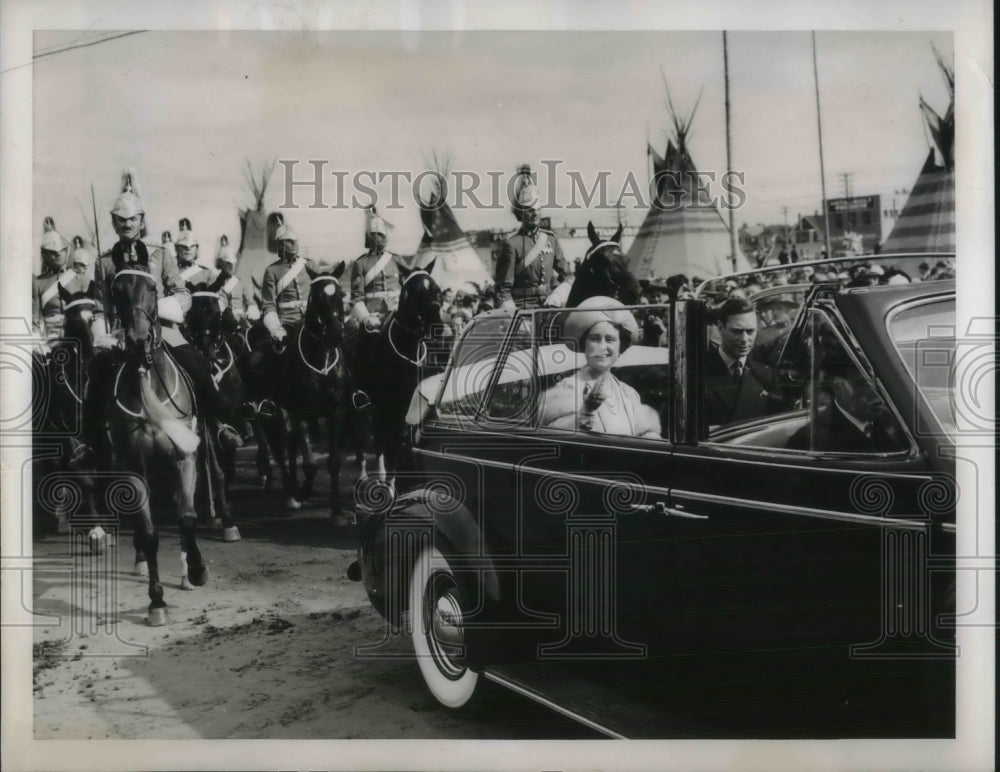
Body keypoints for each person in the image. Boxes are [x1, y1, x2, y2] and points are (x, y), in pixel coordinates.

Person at [83, 170, 242, 468]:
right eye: (121, 219)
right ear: (114, 222)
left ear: (142, 221)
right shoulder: (104, 262)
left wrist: (159, 310)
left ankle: (218, 427)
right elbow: (101, 306)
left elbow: (182, 293)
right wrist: (101, 335)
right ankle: (89, 443)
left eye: (133, 219)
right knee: (96, 373)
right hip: (121, 334)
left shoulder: (161, 254)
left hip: (163, 331)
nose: (127, 224)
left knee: (198, 364)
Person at [539, 296, 661, 437]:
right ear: (585, 344)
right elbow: (552, 436)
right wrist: (586, 412)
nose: (602, 347)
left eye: (610, 340)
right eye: (595, 339)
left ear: (620, 347)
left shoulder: (629, 394)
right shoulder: (568, 387)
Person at [495, 165, 567, 310]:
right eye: (529, 210)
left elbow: (568, 275)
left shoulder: (551, 239)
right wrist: (514, 317)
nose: (534, 214)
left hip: (550, 306)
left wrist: (558, 296)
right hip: (522, 309)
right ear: (520, 213)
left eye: (538, 209)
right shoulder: (511, 243)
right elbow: (502, 288)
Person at [703, 297, 783, 428]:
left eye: (750, 331)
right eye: (737, 331)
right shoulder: (695, 372)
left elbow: (776, 428)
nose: (745, 339)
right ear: (720, 328)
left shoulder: (767, 375)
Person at [349, 208, 401, 325]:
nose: (384, 238)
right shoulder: (361, 263)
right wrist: (366, 318)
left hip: (398, 311)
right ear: (371, 237)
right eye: (380, 235)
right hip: (374, 315)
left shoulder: (396, 259)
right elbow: (357, 297)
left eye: (385, 235)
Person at [211, 235, 243, 322]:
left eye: (232, 264)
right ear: (221, 263)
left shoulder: (239, 282)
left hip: (241, 320)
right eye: (227, 263)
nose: (231, 266)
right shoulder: (214, 281)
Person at [173, 220, 213, 286]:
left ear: (197, 248)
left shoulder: (207, 273)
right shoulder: (170, 273)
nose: (188, 249)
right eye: (183, 246)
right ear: (176, 249)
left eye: (192, 246)